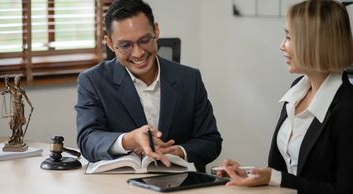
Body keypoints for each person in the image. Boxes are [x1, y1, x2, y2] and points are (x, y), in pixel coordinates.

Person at [216, 0, 353, 193]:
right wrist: (251, 175)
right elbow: (284, 172)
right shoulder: (297, 89)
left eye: (289, 37)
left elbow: (344, 190)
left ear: (314, 43)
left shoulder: (347, 107)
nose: (282, 46)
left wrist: (275, 178)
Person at [75, 0, 222, 172]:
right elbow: (88, 140)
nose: (138, 53)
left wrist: (179, 152)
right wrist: (129, 140)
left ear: (156, 31)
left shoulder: (189, 79)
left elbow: (211, 141)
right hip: (120, 185)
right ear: (109, 43)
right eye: (125, 45)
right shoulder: (93, 81)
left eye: (144, 40)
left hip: (180, 183)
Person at [1, 75, 34, 147]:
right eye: (16, 80)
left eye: (19, 80)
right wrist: (6, 81)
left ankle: (18, 137)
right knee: (13, 121)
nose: (17, 81)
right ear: (14, 81)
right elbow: (7, 87)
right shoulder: (12, 89)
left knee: (20, 122)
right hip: (14, 108)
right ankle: (13, 135)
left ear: (20, 81)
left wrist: (31, 106)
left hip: (20, 108)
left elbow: (27, 99)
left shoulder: (22, 90)